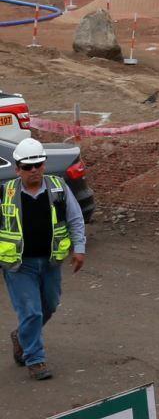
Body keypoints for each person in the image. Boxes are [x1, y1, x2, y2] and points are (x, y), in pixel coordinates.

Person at [1, 137, 87, 382]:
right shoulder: (5, 192)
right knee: (32, 311)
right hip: (19, 265)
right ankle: (35, 359)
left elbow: (75, 219)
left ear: (44, 165)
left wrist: (79, 248)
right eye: (27, 166)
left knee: (49, 305)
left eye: (38, 164)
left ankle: (22, 336)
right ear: (17, 169)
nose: (34, 170)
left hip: (50, 262)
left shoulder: (58, 188)